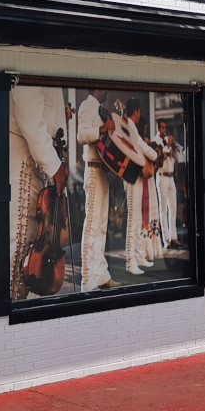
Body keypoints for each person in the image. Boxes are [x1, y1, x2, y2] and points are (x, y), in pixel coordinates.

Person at [9, 85, 69, 300]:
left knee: (26, 244)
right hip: (23, 161)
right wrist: (54, 165)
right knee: (19, 246)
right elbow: (29, 116)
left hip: (32, 160)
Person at [76, 88, 117, 291]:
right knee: (92, 225)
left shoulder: (100, 110)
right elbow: (81, 135)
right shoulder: (86, 106)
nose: (107, 90)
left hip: (103, 170)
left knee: (101, 225)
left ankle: (101, 274)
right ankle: (87, 279)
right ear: (98, 89)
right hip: (92, 169)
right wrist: (103, 128)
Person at [116, 98, 161, 275]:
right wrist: (155, 155)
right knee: (133, 220)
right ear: (135, 112)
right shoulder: (129, 126)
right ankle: (130, 261)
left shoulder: (129, 126)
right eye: (139, 111)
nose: (140, 115)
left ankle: (139, 256)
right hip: (132, 175)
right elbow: (140, 145)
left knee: (138, 219)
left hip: (136, 174)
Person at [154, 119, 179, 255]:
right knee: (163, 210)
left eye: (165, 128)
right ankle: (166, 240)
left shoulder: (168, 141)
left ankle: (173, 237)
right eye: (162, 128)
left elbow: (175, 158)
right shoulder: (155, 142)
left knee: (173, 209)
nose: (164, 130)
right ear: (158, 128)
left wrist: (173, 147)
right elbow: (158, 158)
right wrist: (167, 145)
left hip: (171, 177)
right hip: (162, 177)